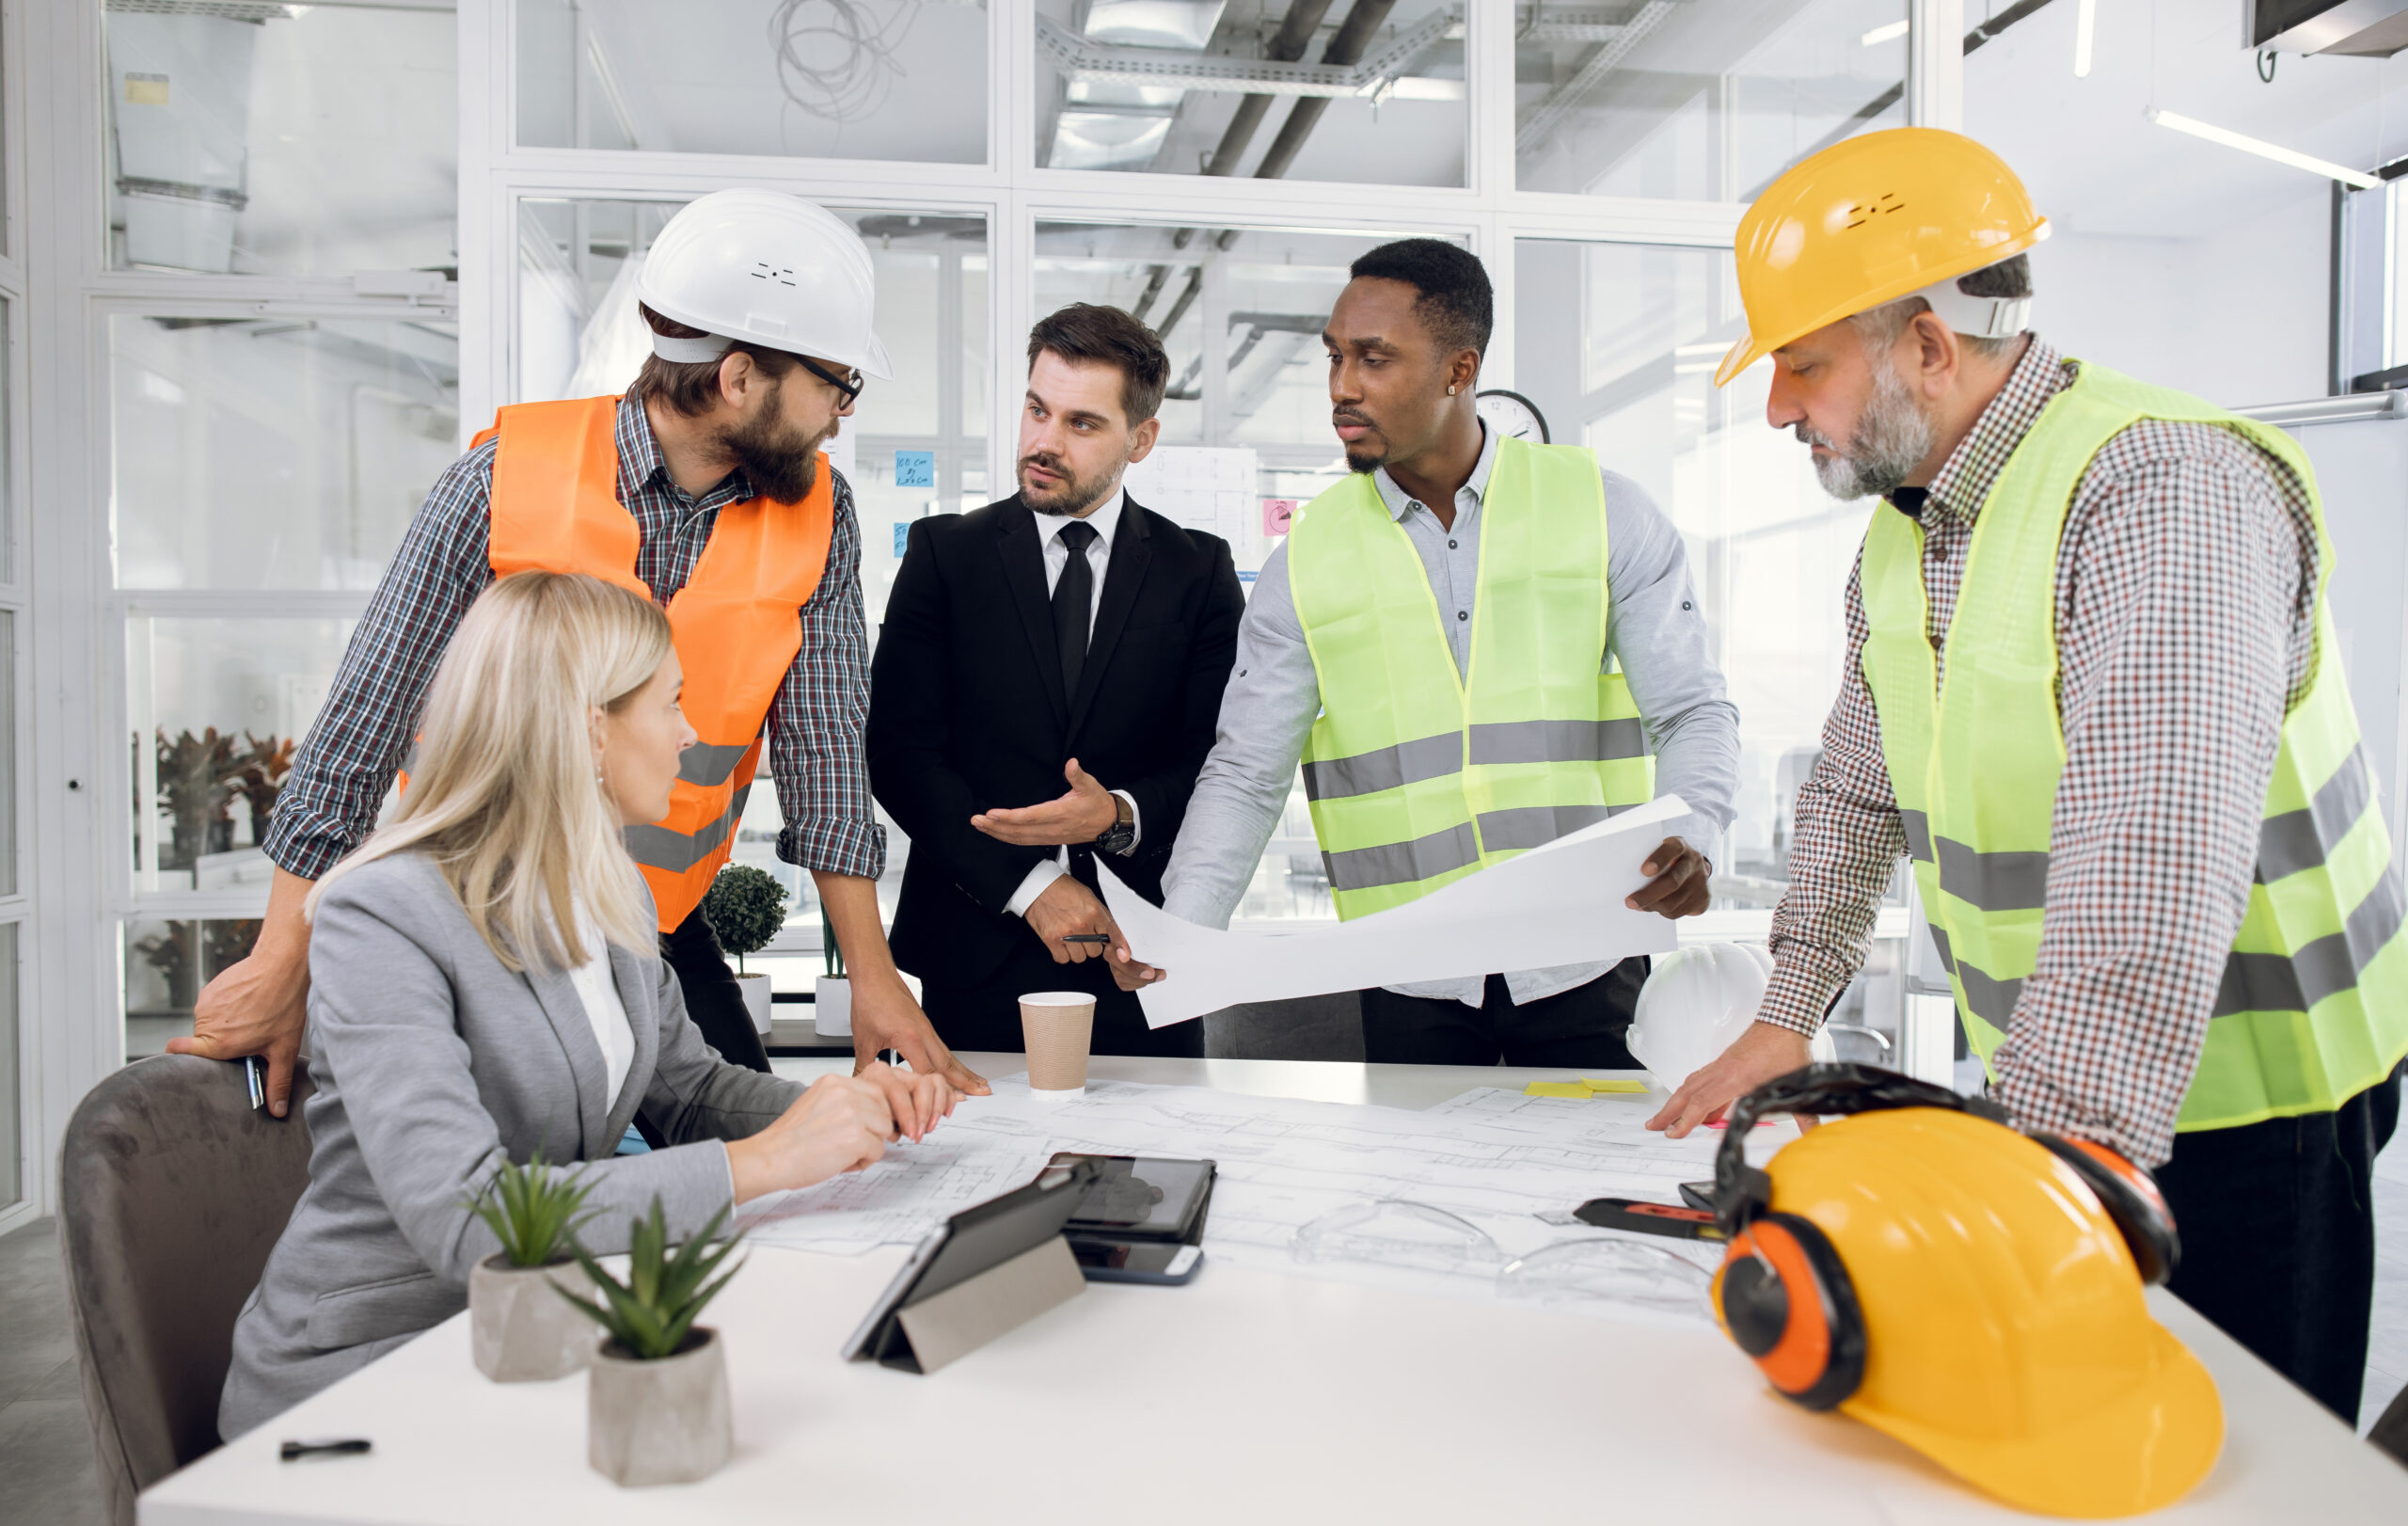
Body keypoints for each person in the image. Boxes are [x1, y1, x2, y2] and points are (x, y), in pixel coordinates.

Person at [1649, 127, 2405, 1424]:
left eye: (1804, 361)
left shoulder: (2161, 491)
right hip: (2077, 1096)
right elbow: (1852, 792)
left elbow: (2150, 865)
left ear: (1930, 347)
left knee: (2241, 1480)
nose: (1778, 404)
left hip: (2249, 1104)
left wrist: (2030, 1176)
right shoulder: (1910, 525)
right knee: (2083, 1443)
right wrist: (1789, 1010)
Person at [172, 189, 985, 1115]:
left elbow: (825, 758)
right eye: (835, 384)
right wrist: (283, 963)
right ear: (738, 379)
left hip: (652, 932)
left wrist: (875, 982)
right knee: (511, 1189)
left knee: (771, 1164)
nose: (840, 414)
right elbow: (360, 732)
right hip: (482, 926)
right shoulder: (496, 485)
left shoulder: (819, 514)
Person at [219, 572, 957, 1440]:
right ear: (589, 728)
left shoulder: (612, 893)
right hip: (375, 1373)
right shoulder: (381, 912)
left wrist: (844, 1109)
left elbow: (687, 1089)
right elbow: (468, 1216)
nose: (691, 736)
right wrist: (763, 1164)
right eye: (672, 704)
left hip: (549, 1332)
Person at [1158, 240, 1738, 1068]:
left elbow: (1693, 711)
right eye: (1334, 356)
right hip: (1409, 978)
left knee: (1591, 1194)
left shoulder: (1603, 511)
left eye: (1374, 358)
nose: (1341, 386)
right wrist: (1185, 932)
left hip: (1588, 962)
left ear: (1459, 370)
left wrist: (1698, 832)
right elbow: (1247, 772)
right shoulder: (1308, 557)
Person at [868, 304, 1244, 1057]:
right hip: (976, 948)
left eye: (1081, 423)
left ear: (1141, 440)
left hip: (1141, 957)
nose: (1043, 442)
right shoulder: (945, 556)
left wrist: (1119, 814)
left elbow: (1218, 762)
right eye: (1037, 409)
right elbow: (902, 756)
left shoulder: (1198, 572)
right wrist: (1032, 885)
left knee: (1152, 1168)